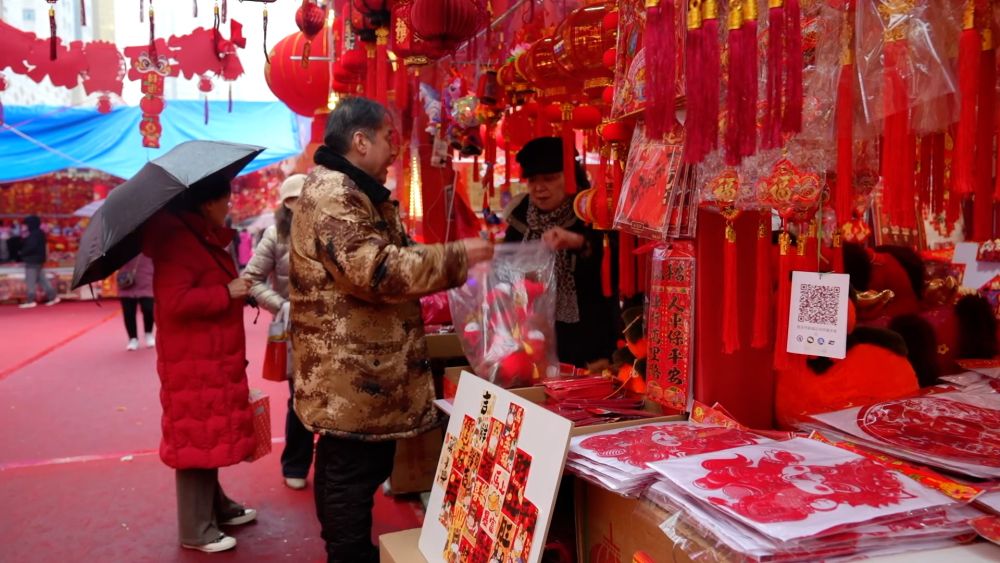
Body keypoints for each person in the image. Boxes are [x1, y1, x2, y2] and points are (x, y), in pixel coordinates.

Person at [289, 96, 493, 563]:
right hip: (348, 372)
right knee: (349, 473)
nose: (394, 150)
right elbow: (377, 271)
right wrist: (456, 257)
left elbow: (395, 253)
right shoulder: (334, 194)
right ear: (360, 141)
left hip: (361, 369)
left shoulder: (358, 192)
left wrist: (454, 257)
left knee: (356, 467)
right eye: (387, 138)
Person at [142, 178, 258, 554]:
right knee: (195, 439)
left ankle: (215, 507)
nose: (229, 206)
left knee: (210, 434)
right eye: (226, 200)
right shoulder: (179, 241)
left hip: (208, 357)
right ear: (208, 203)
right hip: (192, 361)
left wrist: (234, 290)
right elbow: (175, 302)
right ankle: (195, 527)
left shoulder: (197, 236)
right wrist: (226, 292)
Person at [503, 136, 618, 370]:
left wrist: (580, 243)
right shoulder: (519, 217)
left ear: (571, 177)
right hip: (531, 336)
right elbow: (504, 268)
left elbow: (616, 272)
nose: (539, 188)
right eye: (532, 180)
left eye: (550, 178)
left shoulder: (593, 212)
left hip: (587, 339)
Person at [243, 173, 314, 491]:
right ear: (286, 203)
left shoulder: (333, 230)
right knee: (300, 395)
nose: (301, 204)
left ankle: (334, 466)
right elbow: (252, 279)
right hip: (294, 328)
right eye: (294, 199)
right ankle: (296, 464)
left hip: (336, 327)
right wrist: (281, 305)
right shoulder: (274, 234)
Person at [19, 215, 60, 308]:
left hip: (32, 260)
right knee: (42, 280)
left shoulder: (33, 234)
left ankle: (30, 300)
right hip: (38, 260)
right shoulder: (40, 233)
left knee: (30, 280)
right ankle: (53, 297)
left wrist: (22, 253)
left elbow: (30, 247)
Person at [117, 253, 155, 351]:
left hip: (146, 279)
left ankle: (148, 332)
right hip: (126, 280)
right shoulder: (120, 247)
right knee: (128, 312)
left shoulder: (149, 245)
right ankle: (133, 338)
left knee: (149, 308)